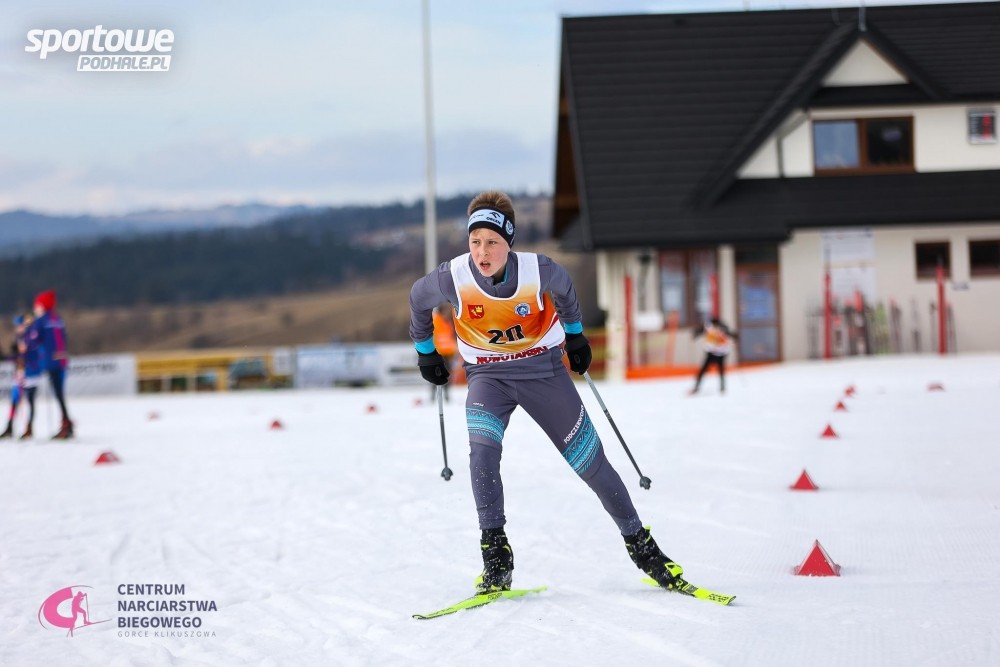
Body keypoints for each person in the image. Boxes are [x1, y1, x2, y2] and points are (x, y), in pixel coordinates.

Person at [409, 190, 682, 594]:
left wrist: (575, 335)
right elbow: (418, 300)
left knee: (590, 463)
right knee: (482, 454)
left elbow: (566, 291)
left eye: (492, 242)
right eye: (475, 241)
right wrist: (425, 351)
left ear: (509, 242)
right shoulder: (453, 277)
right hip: (487, 376)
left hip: (543, 371)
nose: (482, 252)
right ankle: (495, 555)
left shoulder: (539, 271)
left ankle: (642, 546)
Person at [29, 290, 74, 439]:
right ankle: (66, 422)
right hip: (61, 360)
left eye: (37, 305)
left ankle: (66, 423)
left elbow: (34, 339)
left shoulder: (41, 320)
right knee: (60, 393)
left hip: (50, 361)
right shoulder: (57, 319)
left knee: (58, 394)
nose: (35, 308)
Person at [689, 317, 738, 395]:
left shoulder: (723, 328)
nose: (716, 327)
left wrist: (735, 336)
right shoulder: (709, 327)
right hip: (711, 352)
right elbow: (700, 331)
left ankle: (722, 387)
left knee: (720, 369)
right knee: (703, 370)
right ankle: (697, 387)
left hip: (721, 352)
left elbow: (730, 334)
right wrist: (695, 334)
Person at [430, 304, 459, 402]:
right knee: (439, 374)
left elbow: (449, 337)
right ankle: (436, 396)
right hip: (440, 353)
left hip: (446, 353)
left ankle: (442, 396)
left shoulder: (445, 321)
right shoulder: (438, 321)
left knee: (442, 375)